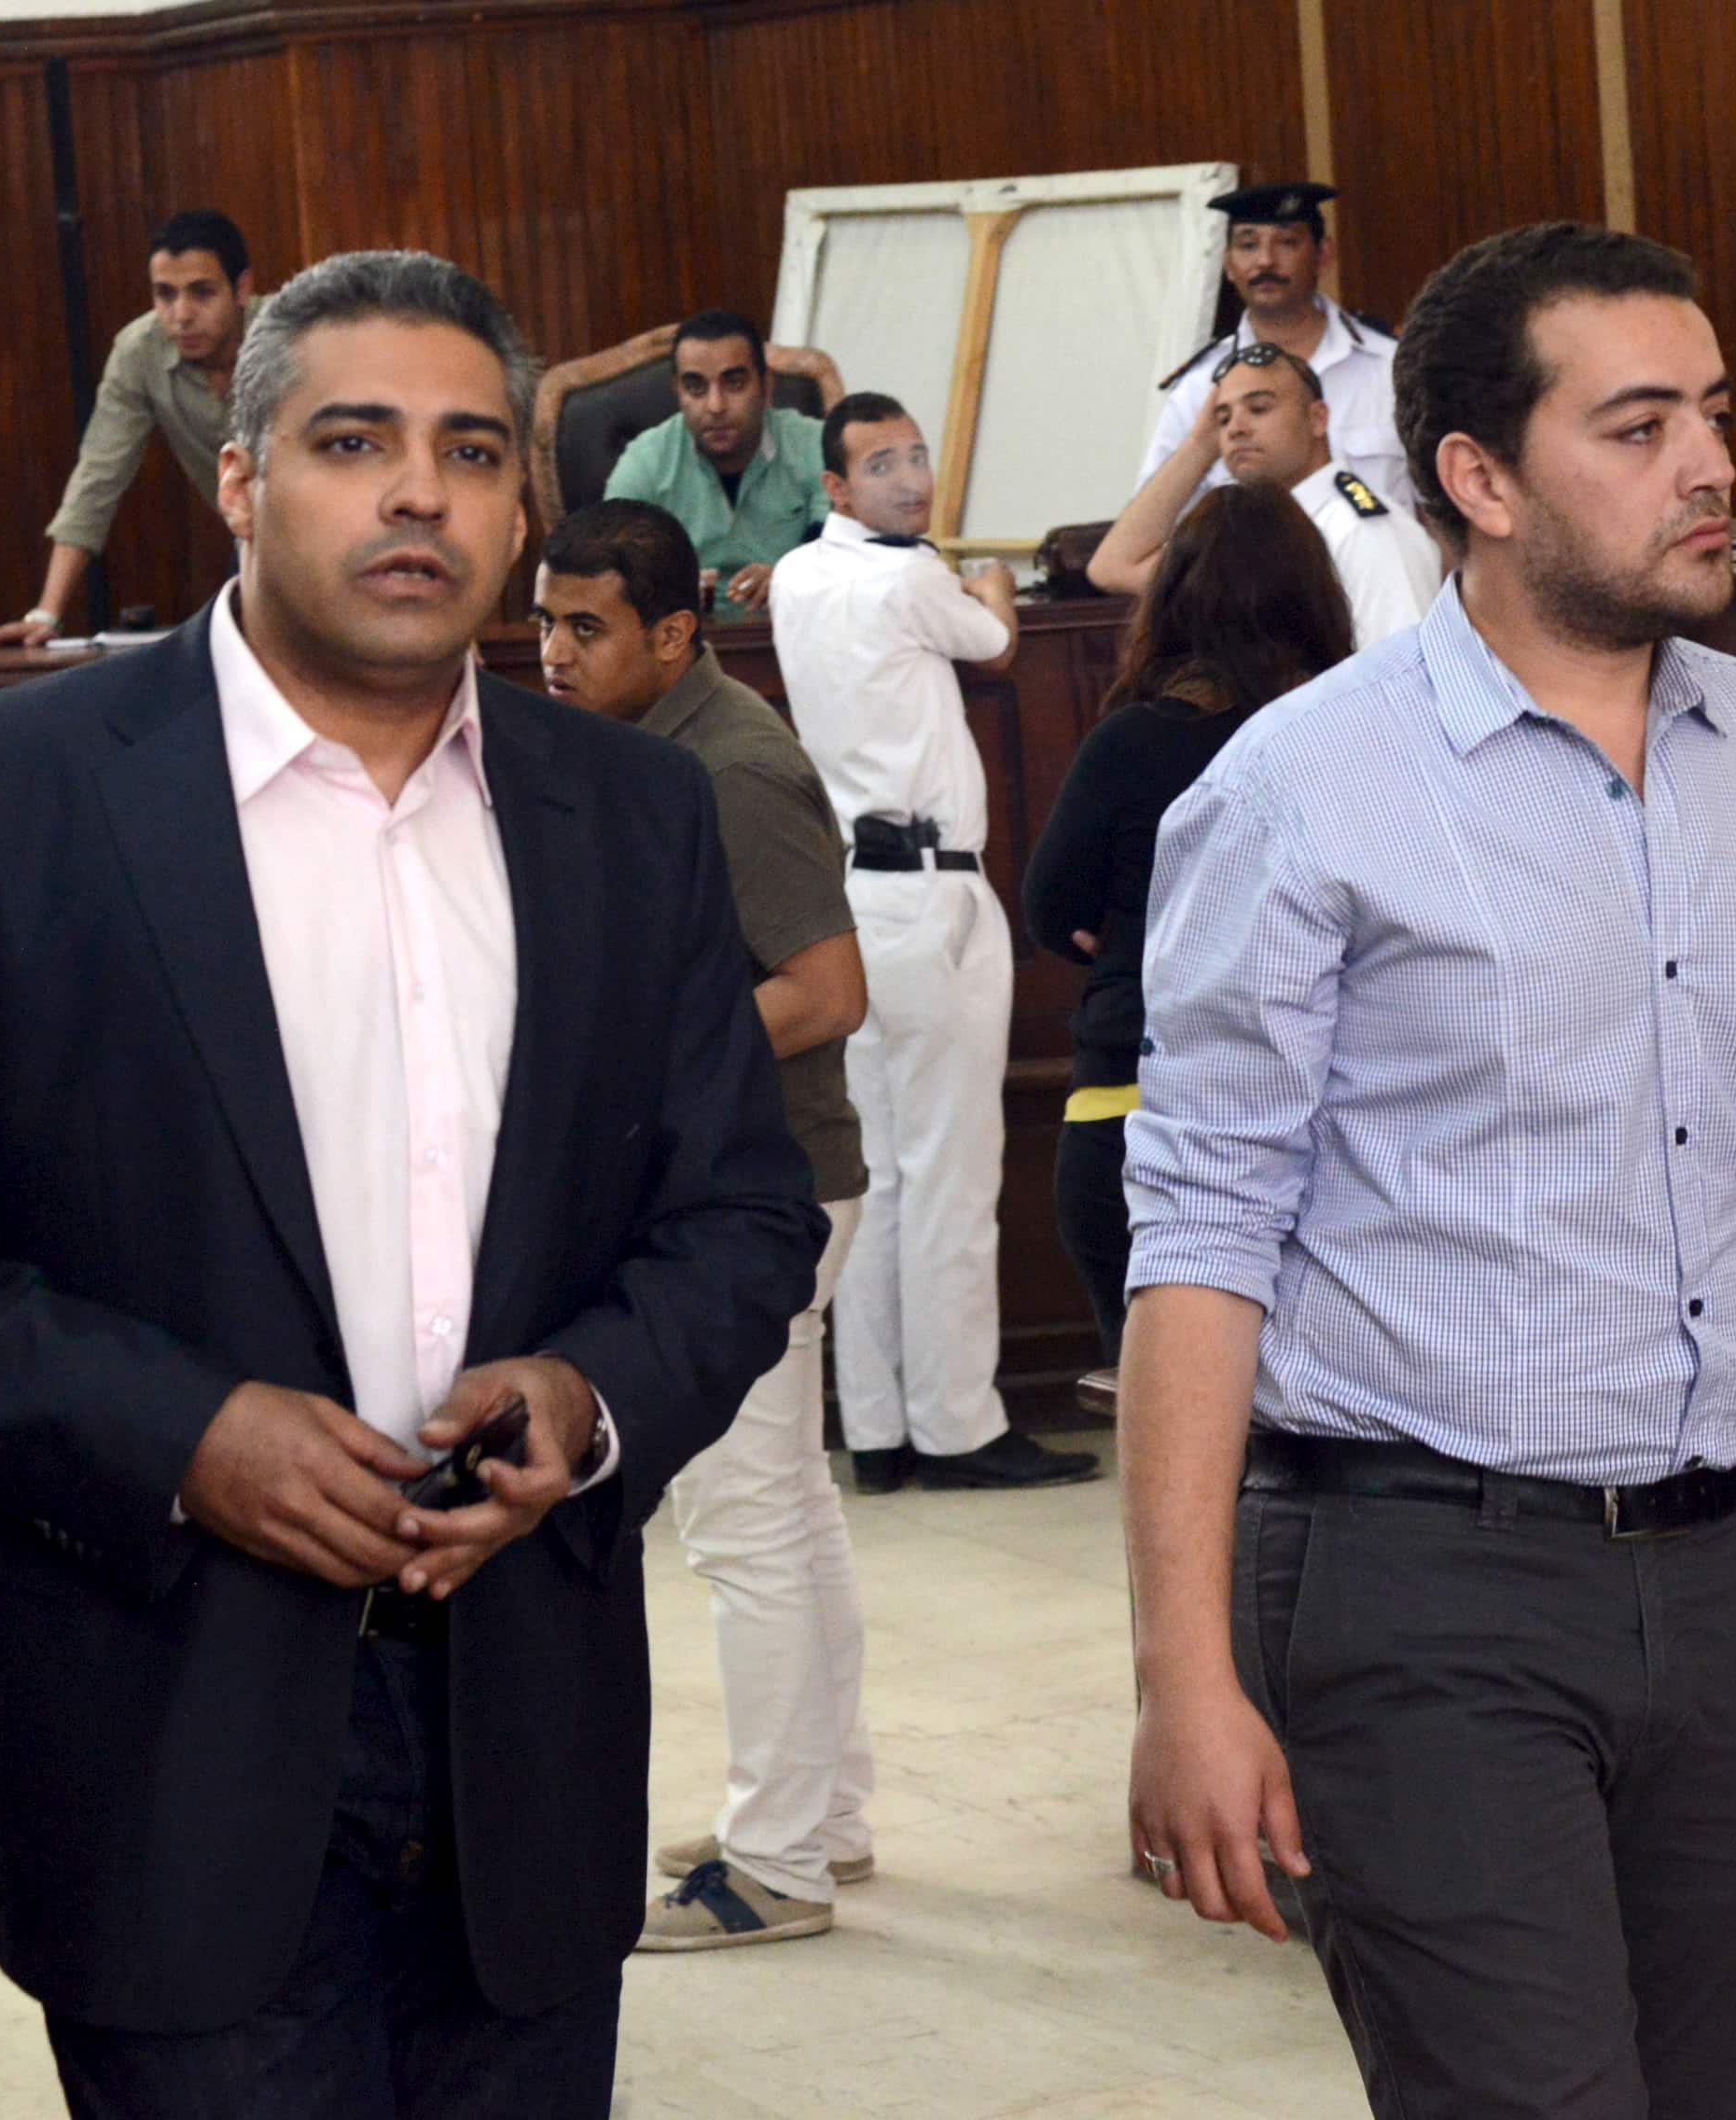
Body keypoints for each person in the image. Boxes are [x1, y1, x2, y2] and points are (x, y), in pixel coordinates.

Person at [0, 251, 823, 2118]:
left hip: (525, 1741)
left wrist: (592, 1393)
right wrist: (182, 1433)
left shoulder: (630, 816)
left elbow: (740, 1210)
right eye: (353, 441)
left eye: (472, 452)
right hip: (160, 1722)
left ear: (516, 508)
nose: (419, 491)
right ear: (238, 482)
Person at [1120, 222, 1736, 2120]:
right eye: (1640, 424)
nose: (1711, 467)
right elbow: (1203, 1233)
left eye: (1714, 417)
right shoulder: (1298, 788)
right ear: (1478, 482)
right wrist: (1184, 1675)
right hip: (1414, 1582)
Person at [532, 498, 877, 1951]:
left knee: (741, 1523)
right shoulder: (651, 750)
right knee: (785, 1509)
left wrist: (648, 1062)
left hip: (775, 1186)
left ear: (675, 635)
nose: (550, 652)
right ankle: (822, 1818)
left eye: (585, 628)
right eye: (545, 620)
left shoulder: (733, 767)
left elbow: (828, 986)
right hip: (750, 1182)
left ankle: (777, 1864)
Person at [768, 392, 1094, 1496]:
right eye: (882, 464)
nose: (910, 480)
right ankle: (957, 1425)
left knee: (878, 1177)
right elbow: (996, 637)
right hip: (930, 894)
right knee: (950, 1174)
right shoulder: (906, 575)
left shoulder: (800, 574)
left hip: (849, 902)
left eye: (916, 457)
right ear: (836, 488)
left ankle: (876, 1427)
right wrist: (984, 579)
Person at [1020, 481, 1349, 1364]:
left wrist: (1135, 929)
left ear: (1173, 601)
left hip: (1134, 1105)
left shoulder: (1133, 741)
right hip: (1320, 1125)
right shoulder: (1348, 738)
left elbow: (1052, 912)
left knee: (1164, 1443)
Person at [0, 209, 259, 649]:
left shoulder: (292, 334)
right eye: (165, 294)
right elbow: (98, 477)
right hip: (250, 541)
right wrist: (47, 613)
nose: (181, 314)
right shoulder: (139, 352)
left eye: (201, 293)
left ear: (242, 288)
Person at [1091, 343, 1442, 649]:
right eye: (1223, 418)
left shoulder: (1364, 532)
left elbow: (1402, 682)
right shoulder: (1241, 537)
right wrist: (1200, 443)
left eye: (1258, 408)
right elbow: (1114, 567)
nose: (1236, 429)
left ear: (1318, 418)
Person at [1137, 182, 1408, 513]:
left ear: (1323, 255)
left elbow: (1441, 515)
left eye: (1287, 242)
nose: (1265, 261)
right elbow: (1155, 525)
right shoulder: (1200, 386)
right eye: (1248, 245)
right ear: (1228, 265)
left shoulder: (1391, 368)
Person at [600, 311, 833, 613]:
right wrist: (666, 591)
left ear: (766, 386)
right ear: (677, 391)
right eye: (696, 388)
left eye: (734, 384)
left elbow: (843, 547)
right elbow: (609, 568)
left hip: (796, 628)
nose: (715, 406)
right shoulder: (644, 461)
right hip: (679, 643)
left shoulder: (815, 444)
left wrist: (791, 576)